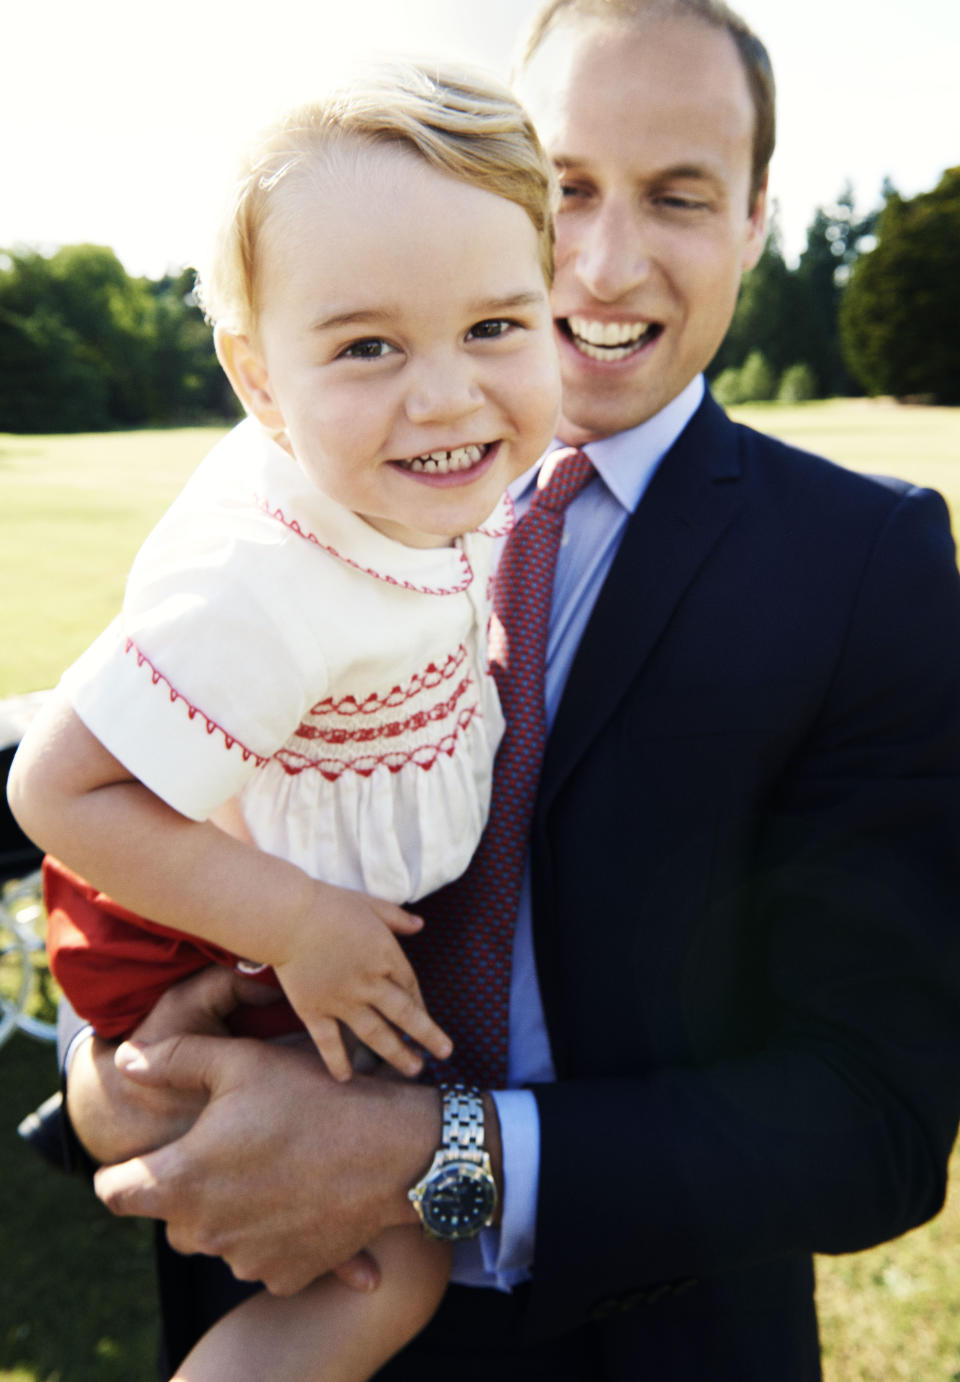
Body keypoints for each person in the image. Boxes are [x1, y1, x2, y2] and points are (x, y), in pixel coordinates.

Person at [30, 0, 960, 1378]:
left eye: (679, 195)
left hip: (637, 1345)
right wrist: (113, 1074)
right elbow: (134, 797)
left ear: (760, 214)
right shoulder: (303, 493)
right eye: (568, 186)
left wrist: (434, 1162)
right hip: (282, 1300)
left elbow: (869, 1123)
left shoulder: (865, 564)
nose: (603, 256)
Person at [7, 63, 562, 1382]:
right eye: (369, 345)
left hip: (261, 916)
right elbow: (53, 790)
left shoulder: (401, 491)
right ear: (259, 381)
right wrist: (296, 925)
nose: (445, 395)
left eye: (495, 325)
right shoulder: (266, 578)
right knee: (393, 1262)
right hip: (204, 932)